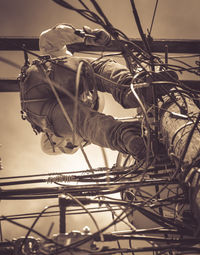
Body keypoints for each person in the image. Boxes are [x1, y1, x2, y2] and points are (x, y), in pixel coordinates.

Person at [19, 23, 177, 161]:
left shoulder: (59, 135)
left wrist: (86, 36)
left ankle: (129, 140)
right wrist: (87, 37)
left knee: (87, 123)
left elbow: (48, 37)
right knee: (97, 69)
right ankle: (132, 90)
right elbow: (48, 38)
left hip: (36, 102)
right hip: (42, 88)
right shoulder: (66, 132)